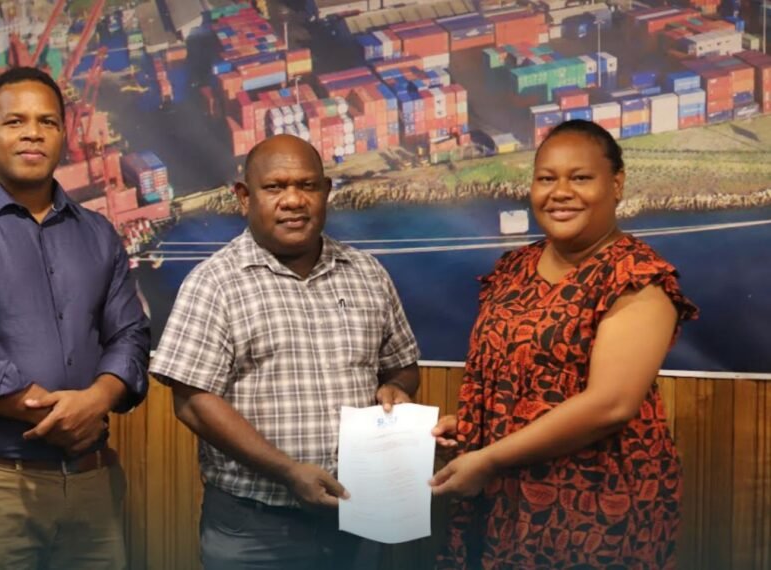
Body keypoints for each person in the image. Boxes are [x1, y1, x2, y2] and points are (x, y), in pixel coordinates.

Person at [0, 66, 150, 570]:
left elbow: (130, 333)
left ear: (63, 133)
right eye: (15, 121)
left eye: (48, 121)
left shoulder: (98, 233)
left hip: (91, 484)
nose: (33, 132)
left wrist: (97, 399)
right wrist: (52, 413)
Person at [430, 120, 697, 569]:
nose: (560, 192)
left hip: (596, 502)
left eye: (580, 178)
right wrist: (474, 424)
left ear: (616, 184)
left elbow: (610, 404)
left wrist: (490, 457)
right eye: (546, 178)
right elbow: (519, 379)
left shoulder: (637, 278)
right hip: (501, 495)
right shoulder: (513, 268)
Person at [150, 134, 421, 569]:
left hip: (359, 519)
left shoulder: (369, 273)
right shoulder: (214, 282)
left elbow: (402, 366)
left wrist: (396, 388)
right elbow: (193, 404)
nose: (293, 200)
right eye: (275, 187)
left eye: (307, 186)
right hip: (254, 532)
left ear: (326, 191)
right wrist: (287, 471)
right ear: (244, 197)